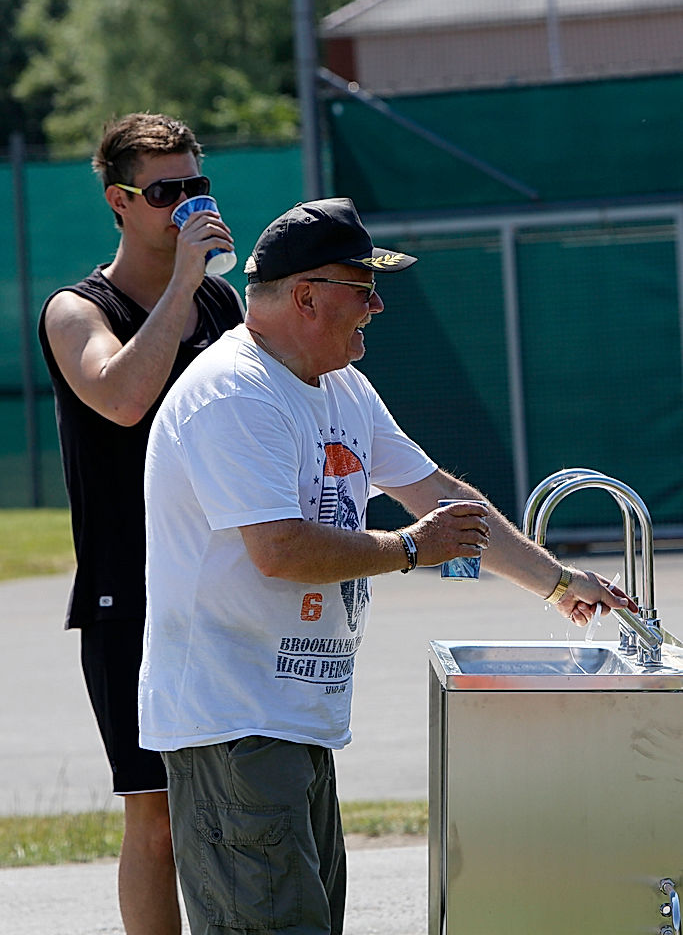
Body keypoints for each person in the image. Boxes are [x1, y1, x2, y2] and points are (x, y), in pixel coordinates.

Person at [138, 196, 636, 935]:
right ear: (306, 297)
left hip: (289, 719)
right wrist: (408, 548)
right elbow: (279, 550)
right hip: (231, 719)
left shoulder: (339, 384)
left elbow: (438, 497)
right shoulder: (234, 393)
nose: (376, 306)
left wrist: (559, 583)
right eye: (361, 288)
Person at [38, 112, 244, 935]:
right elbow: (121, 399)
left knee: (242, 805)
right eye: (166, 192)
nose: (187, 204)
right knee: (155, 818)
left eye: (196, 185)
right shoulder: (75, 310)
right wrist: (185, 284)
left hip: (229, 588)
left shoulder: (221, 302)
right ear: (121, 202)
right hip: (133, 597)